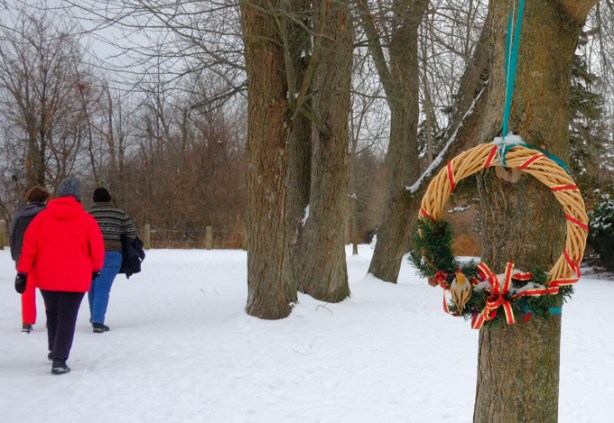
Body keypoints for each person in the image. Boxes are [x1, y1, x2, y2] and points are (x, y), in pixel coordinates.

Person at [16, 177, 104, 375]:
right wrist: (96, 268)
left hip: (47, 276)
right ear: (78, 196)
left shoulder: (42, 218)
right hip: (77, 277)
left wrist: (22, 272)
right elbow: (97, 249)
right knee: (67, 317)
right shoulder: (87, 220)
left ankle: (53, 349)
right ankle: (59, 359)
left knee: (53, 313)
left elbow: (29, 247)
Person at [88, 187, 138, 333]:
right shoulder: (119, 213)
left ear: (94, 199)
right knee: (103, 288)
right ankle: (98, 321)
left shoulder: (88, 214)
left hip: (91, 255)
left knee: (92, 287)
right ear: (109, 198)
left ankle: (94, 317)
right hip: (112, 254)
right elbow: (131, 232)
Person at [9, 186, 51, 333]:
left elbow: (12, 235)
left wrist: (16, 256)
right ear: (45, 199)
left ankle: (27, 322)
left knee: (27, 290)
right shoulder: (47, 214)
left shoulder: (20, 215)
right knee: (48, 289)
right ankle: (50, 318)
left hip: (24, 256)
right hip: (44, 256)